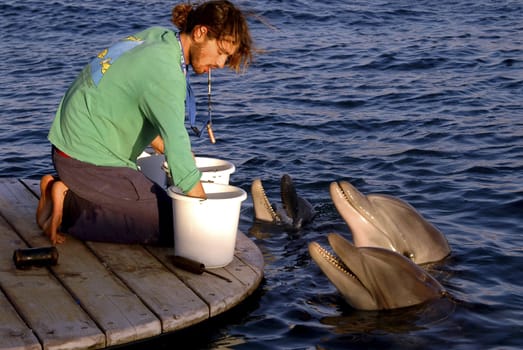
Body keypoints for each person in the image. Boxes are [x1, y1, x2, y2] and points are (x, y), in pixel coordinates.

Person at [36, 0, 253, 245]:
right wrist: (202, 213)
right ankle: (67, 204)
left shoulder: (158, 38)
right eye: (222, 53)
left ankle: (64, 187)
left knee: (165, 208)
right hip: (85, 159)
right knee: (176, 227)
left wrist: (164, 147)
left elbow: (132, 101)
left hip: (72, 146)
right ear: (201, 32)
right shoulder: (166, 71)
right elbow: (179, 153)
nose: (222, 64)